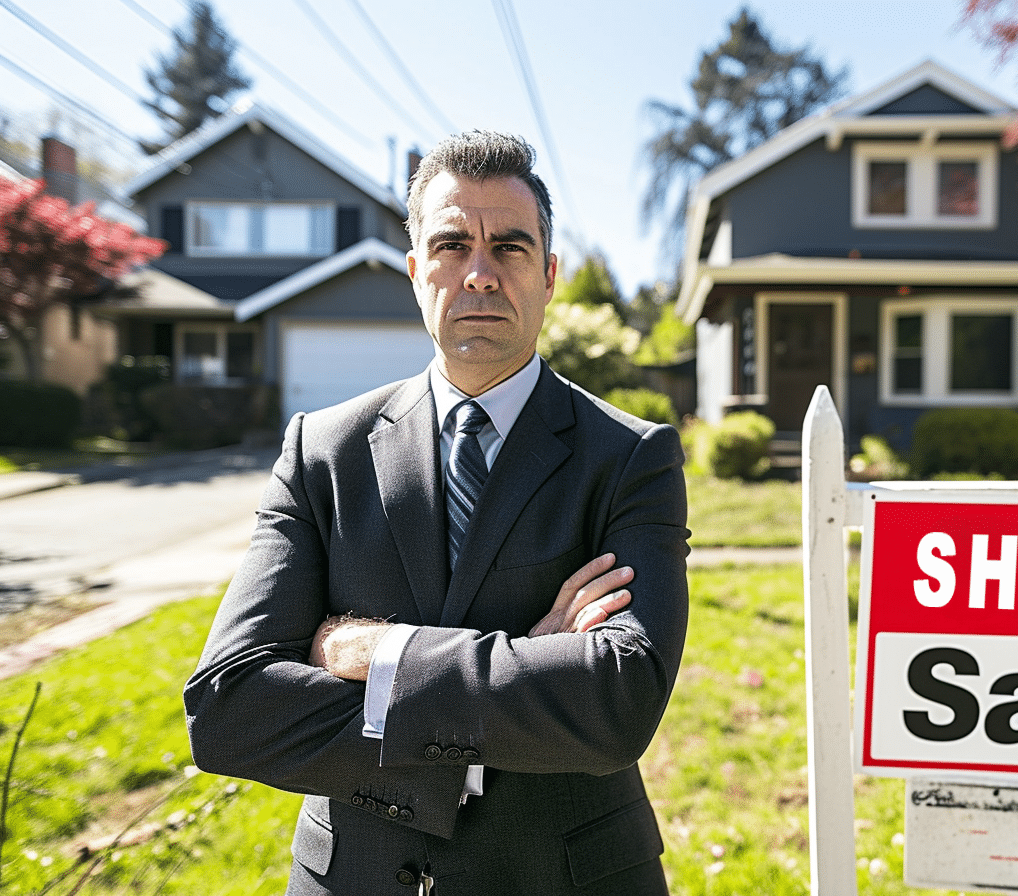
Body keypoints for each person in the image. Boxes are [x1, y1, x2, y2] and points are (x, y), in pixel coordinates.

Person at [184, 131, 689, 895]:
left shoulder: (630, 457)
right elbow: (230, 708)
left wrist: (378, 656)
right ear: (416, 270)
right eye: (452, 244)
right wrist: (528, 666)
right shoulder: (322, 452)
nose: (480, 274)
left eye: (511, 248)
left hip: (567, 876)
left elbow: (618, 702)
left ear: (549, 276)